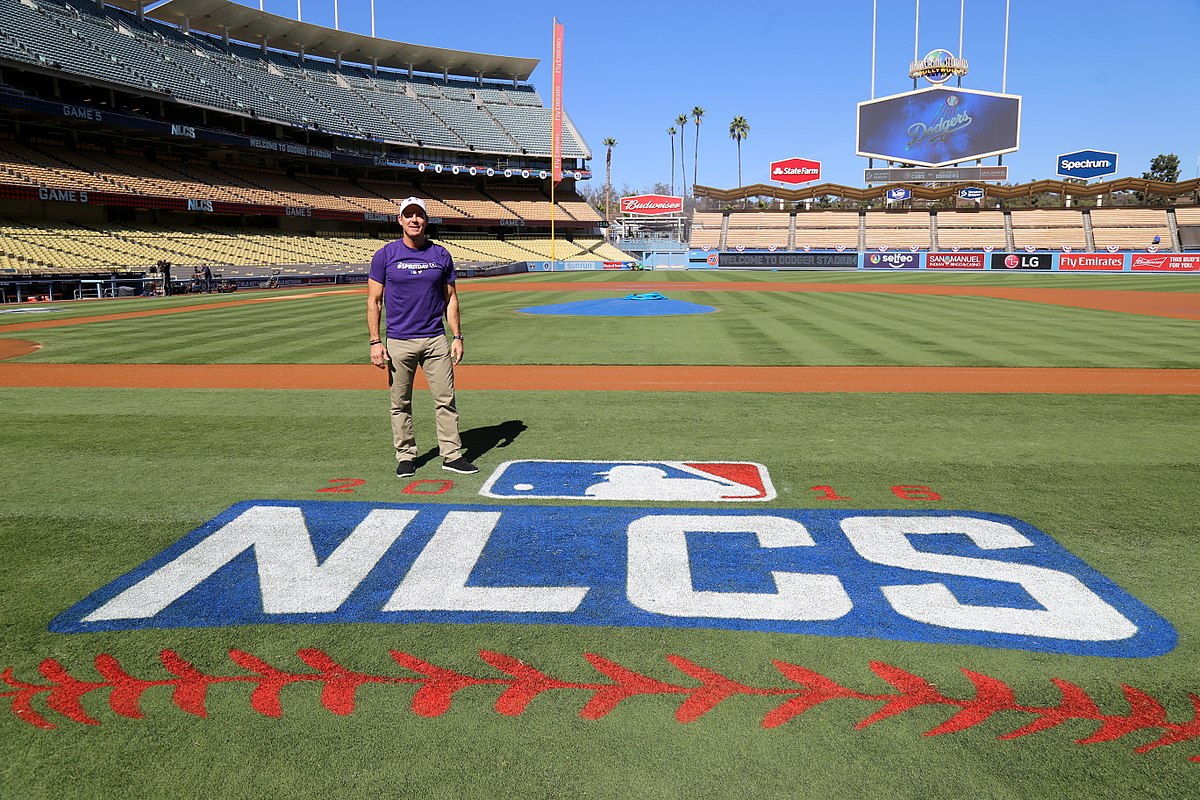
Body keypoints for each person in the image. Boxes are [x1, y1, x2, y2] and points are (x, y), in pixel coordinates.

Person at [367, 197, 477, 478]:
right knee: (400, 402)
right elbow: (374, 301)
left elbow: (450, 298)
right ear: (400, 220)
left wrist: (457, 336)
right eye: (409, 215)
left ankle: (451, 455)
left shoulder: (440, 255)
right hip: (399, 341)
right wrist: (375, 342)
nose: (414, 220)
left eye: (419, 216)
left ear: (426, 221)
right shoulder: (385, 255)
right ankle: (405, 456)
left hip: (435, 339)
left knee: (445, 399)